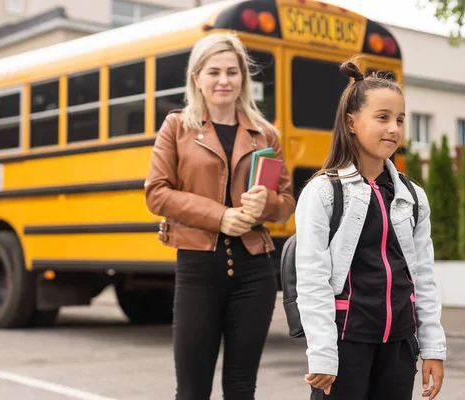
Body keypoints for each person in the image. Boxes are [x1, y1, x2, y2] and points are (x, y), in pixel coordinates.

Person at [144, 32, 295, 400]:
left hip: (255, 274)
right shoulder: (177, 127)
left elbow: (286, 201)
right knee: (192, 391)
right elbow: (156, 192)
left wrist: (267, 206)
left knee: (242, 389)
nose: (224, 80)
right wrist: (220, 216)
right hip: (198, 271)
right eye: (213, 72)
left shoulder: (265, 135)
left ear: (243, 77)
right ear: (196, 77)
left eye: (232, 71)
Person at [294, 58, 446, 400]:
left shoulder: (413, 196)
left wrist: (433, 348)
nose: (393, 128)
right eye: (382, 118)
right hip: (347, 342)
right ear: (351, 122)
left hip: (400, 345)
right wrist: (322, 353)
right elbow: (312, 278)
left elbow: (422, 275)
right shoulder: (323, 192)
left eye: (400, 120)